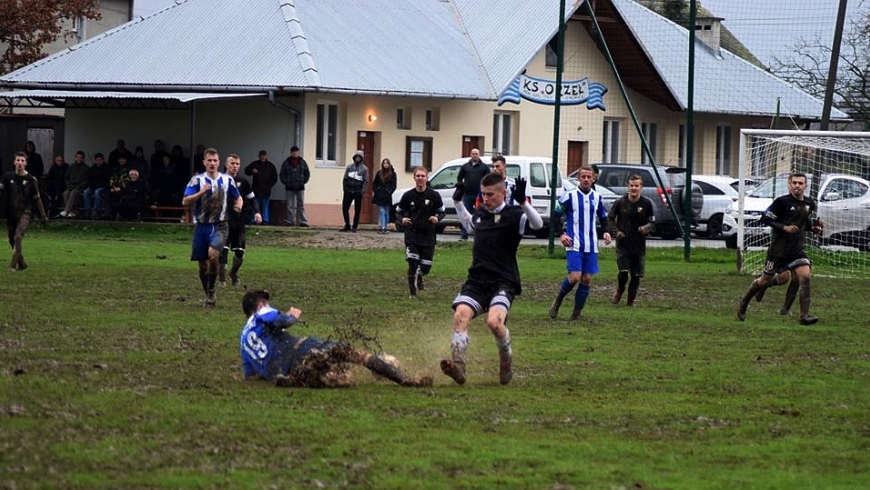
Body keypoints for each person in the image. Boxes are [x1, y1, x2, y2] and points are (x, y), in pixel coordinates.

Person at [440, 172, 543, 386]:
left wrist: (523, 201)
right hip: (477, 280)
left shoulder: (514, 215)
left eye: (490, 194)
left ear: (502, 194)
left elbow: (538, 224)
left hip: (503, 281)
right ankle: (459, 367)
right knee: (460, 316)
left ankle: (506, 359)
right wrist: (458, 202)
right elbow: (469, 225)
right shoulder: (481, 215)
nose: (485, 198)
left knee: (494, 323)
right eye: (483, 194)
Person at [240, 289, 432, 387]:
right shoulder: (261, 312)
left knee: (340, 378)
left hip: (286, 373)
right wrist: (291, 316)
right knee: (354, 354)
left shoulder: (243, 340)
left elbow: (251, 376)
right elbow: (279, 321)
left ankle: (324, 377)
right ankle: (404, 378)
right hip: (300, 349)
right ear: (259, 305)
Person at [737, 172, 823, 325]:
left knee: (805, 277)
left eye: (800, 183)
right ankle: (744, 301)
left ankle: (804, 316)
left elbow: (804, 223)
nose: (797, 186)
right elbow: (765, 218)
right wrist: (784, 227)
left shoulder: (809, 203)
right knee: (768, 280)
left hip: (796, 249)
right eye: (794, 183)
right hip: (778, 250)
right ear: (789, 185)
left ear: (806, 186)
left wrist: (815, 229)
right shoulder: (781, 202)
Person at [547, 165, 612, 320]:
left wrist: (607, 231)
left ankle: (576, 313)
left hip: (591, 244)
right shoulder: (569, 196)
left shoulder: (597, 197)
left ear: (593, 178)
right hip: (574, 243)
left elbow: (603, 218)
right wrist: (561, 235)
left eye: (589, 177)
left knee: (587, 279)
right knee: (575, 277)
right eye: (583, 177)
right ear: (578, 179)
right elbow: (555, 217)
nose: (586, 180)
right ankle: (558, 301)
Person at [182, 148, 242, 307]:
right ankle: (209, 292)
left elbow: (238, 197)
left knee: (213, 255)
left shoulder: (227, 180)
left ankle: (211, 290)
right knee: (203, 266)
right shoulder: (197, 180)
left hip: (220, 225)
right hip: (202, 226)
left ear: (219, 162)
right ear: (204, 162)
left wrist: (238, 206)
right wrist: (200, 193)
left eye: (215, 160)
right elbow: (185, 201)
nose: (212, 163)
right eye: (209, 160)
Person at [606, 174, 655, 306]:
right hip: (623, 244)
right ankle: (619, 291)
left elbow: (652, 223)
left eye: (636, 186)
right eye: (631, 185)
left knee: (636, 275)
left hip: (638, 245)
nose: (634, 188)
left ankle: (630, 301)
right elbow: (610, 218)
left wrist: (646, 228)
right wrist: (616, 231)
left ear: (641, 187)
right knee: (623, 272)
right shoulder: (620, 202)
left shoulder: (647, 204)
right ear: (628, 187)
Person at [396, 167, 444, 298]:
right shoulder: (408, 196)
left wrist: (437, 218)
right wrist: (403, 219)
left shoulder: (434, 195)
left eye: (423, 176)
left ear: (427, 178)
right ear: (414, 178)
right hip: (412, 235)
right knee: (412, 263)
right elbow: (399, 212)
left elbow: (442, 211)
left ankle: (421, 275)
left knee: (425, 268)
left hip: (428, 236)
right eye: (418, 176)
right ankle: (412, 293)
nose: (420, 178)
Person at [1, 152, 47, 271]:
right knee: (12, 239)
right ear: (14, 162)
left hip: (25, 212)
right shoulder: (8, 177)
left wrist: (43, 215)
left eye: (22, 161)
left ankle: (12, 265)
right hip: (11, 212)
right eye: (18, 160)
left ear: (26, 163)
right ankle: (21, 263)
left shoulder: (31, 179)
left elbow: (37, 198)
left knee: (18, 236)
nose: (20, 163)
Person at [220, 154, 262, 287]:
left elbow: (252, 199)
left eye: (237, 164)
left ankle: (233, 273)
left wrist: (257, 212)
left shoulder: (243, 182)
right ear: (226, 165)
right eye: (232, 163)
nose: (235, 166)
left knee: (239, 252)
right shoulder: (219, 180)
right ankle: (222, 280)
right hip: (223, 221)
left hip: (239, 222)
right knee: (223, 250)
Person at [455, 148, 489, 240]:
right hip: (467, 194)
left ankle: (479, 235)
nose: (474, 155)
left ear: (479, 155)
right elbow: (459, 178)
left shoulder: (484, 167)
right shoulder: (465, 166)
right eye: (473, 153)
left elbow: (488, 179)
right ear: (471, 154)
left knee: (480, 214)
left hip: (480, 195)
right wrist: (461, 186)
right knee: (465, 215)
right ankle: (464, 235)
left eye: (476, 154)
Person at [278, 146, 310, 227]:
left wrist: (303, 181)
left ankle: (302, 221)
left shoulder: (302, 162)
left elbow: (307, 173)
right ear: (291, 153)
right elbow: (282, 174)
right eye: (293, 152)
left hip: (300, 187)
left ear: (298, 152)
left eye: (296, 152)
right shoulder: (286, 162)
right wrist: (286, 182)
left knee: (301, 205)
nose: (295, 153)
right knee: (290, 205)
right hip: (289, 187)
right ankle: (290, 221)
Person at [245, 149, 279, 225]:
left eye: (264, 155)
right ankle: (254, 220)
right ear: (259, 156)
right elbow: (246, 171)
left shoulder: (270, 166)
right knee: (255, 205)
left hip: (266, 190)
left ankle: (265, 220)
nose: (262, 157)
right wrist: (251, 170)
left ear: (266, 156)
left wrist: (269, 185)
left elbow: (275, 177)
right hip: (256, 189)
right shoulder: (254, 164)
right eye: (261, 155)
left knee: (265, 206)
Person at [340, 150, 369, 232]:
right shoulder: (349, 167)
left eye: (359, 157)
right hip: (348, 191)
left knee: (357, 210)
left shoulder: (365, 169)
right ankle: (347, 225)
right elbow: (345, 178)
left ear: (362, 158)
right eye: (356, 157)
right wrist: (345, 189)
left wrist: (362, 191)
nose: (357, 158)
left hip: (358, 192)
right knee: (345, 208)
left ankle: (355, 226)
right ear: (354, 157)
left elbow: (366, 181)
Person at [59, 151, 89, 219]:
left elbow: (87, 180)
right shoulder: (71, 167)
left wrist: (79, 186)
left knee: (73, 193)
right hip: (70, 186)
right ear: (75, 158)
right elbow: (66, 177)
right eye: (77, 157)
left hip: (80, 188)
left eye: (80, 157)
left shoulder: (86, 168)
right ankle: (72, 211)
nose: (79, 159)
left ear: (83, 159)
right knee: (65, 193)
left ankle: (66, 211)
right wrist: (68, 185)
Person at [372, 158, 397, 234]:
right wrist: (377, 190)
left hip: (387, 196)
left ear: (389, 164)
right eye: (384, 163)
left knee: (386, 212)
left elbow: (394, 185)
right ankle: (382, 227)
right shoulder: (379, 173)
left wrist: (389, 191)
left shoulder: (392, 174)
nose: (385, 165)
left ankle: (385, 226)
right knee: (381, 211)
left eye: (386, 163)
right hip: (379, 195)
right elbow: (374, 183)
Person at [83, 153, 111, 220]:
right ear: (95, 160)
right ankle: (87, 210)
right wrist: (91, 185)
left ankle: (97, 210)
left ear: (103, 160)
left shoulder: (107, 168)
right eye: (97, 160)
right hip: (93, 186)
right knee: (85, 192)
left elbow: (108, 180)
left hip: (103, 187)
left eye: (100, 160)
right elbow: (89, 178)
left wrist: (98, 186)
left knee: (97, 192)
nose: (99, 161)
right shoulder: (92, 168)